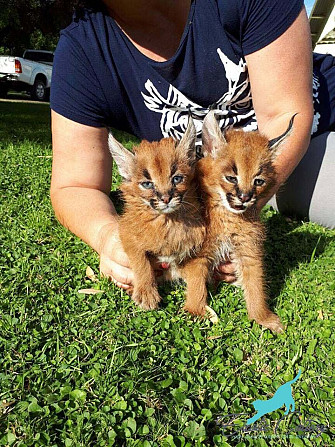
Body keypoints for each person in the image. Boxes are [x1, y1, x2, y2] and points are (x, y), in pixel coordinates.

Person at [50, 0, 335, 291]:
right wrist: (110, 237)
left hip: (308, 141)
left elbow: (285, 116)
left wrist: (225, 224)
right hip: (217, 182)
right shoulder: (83, 50)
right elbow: (75, 185)